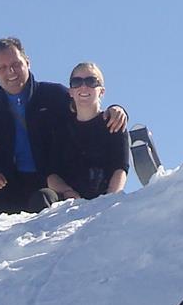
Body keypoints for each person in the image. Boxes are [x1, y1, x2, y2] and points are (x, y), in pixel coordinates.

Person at [0, 38, 125, 240]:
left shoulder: (54, 95)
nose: (11, 72)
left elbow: (86, 108)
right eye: (3, 67)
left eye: (16, 64)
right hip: (7, 187)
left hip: (51, 185)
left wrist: (117, 110)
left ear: (27, 62)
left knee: (43, 199)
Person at [46, 61, 130, 201]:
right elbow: (51, 174)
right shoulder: (61, 130)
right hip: (68, 209)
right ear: (71, 92)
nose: (83, 86)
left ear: (101, 91)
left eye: (91, 81)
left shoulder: (113, 123)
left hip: (104, 205)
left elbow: (120, 169)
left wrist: (108, 201)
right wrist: (68, 192)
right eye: (77, 82)